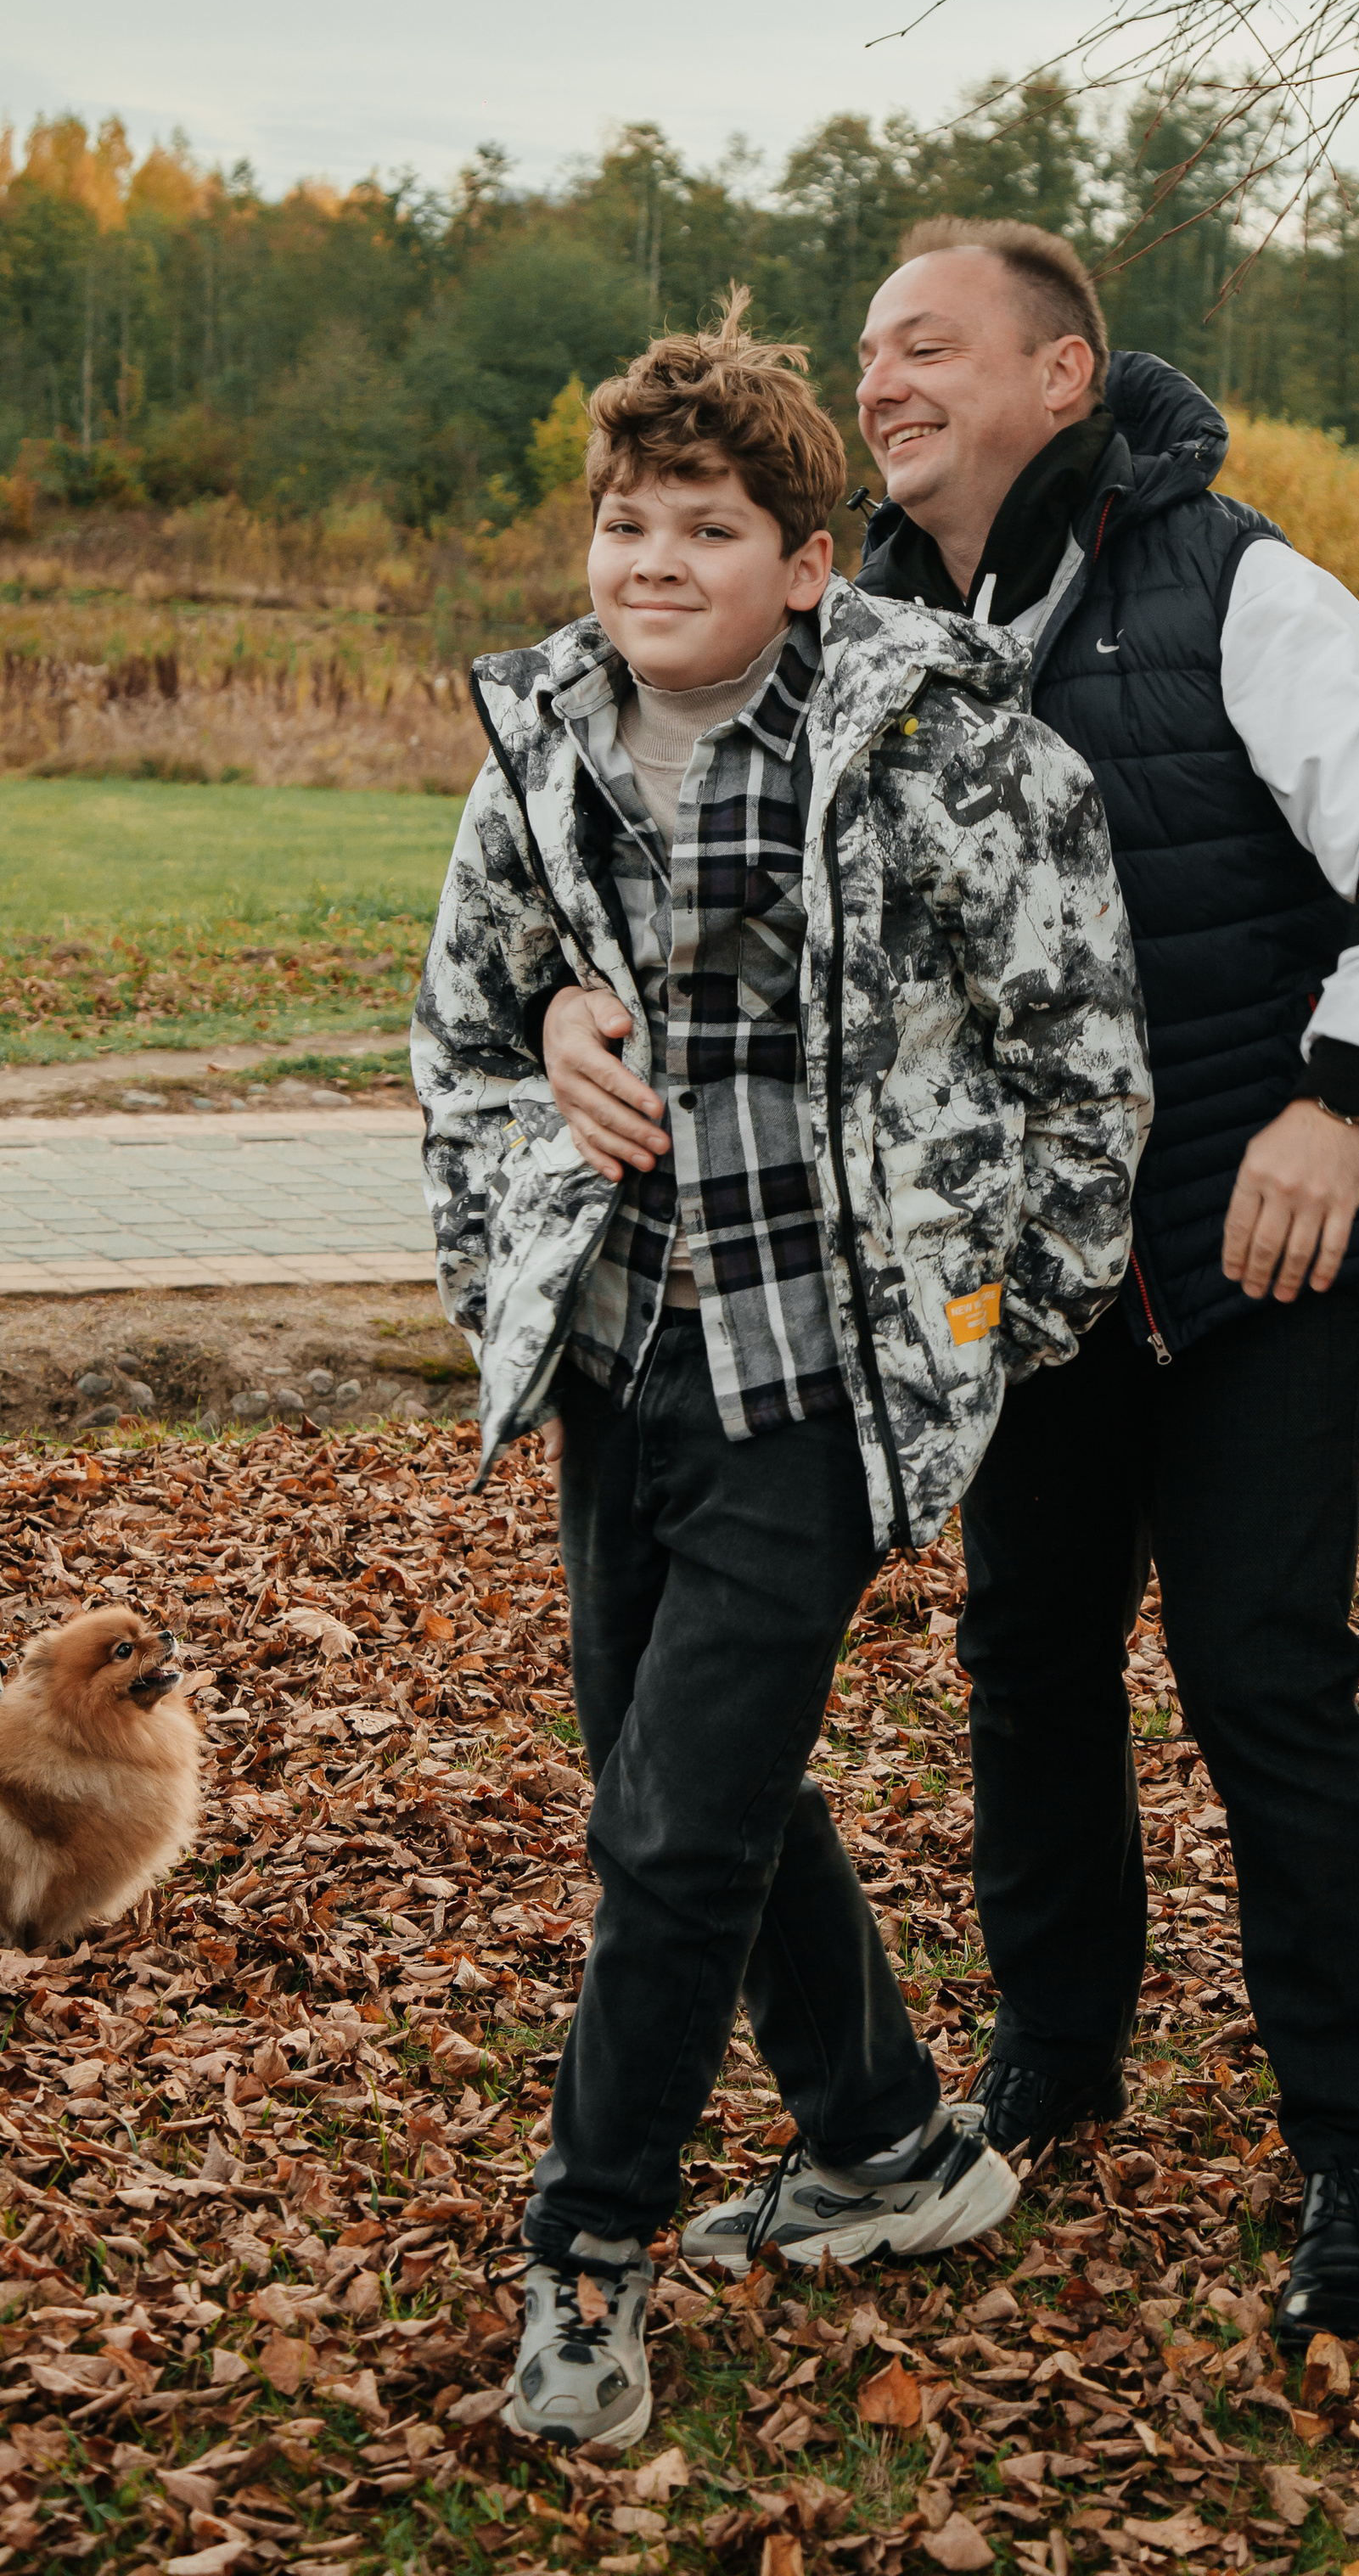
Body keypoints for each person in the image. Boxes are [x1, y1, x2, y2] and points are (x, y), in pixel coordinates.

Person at [542, 217, 1359, 2342]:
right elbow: (672, 862)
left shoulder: (1236, 583)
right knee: (1026, 1658)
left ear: (1059, 378)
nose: (879, 381)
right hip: (1023, 1264)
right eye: (869, 354)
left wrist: (1339, 1098)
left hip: (1259, 1239)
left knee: (1264, 1680)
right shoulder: (862, 620)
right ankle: (1054, 2060)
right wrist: (559, 1005)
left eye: (926, 348)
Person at [413, 298, 1150, 2448]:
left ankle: (586, 2257)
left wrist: (1001, 1321)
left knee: (662, 1837)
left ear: (805, 562)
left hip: (814, 1379)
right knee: (692, 1787)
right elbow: (459, 1031)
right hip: (622, 1356)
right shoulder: (540, 746)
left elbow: (1075, 1042)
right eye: (624, 523)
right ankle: (891, 2134)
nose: (651, 563)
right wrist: (550, 1016)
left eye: (706, 527)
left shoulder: (935, 744)